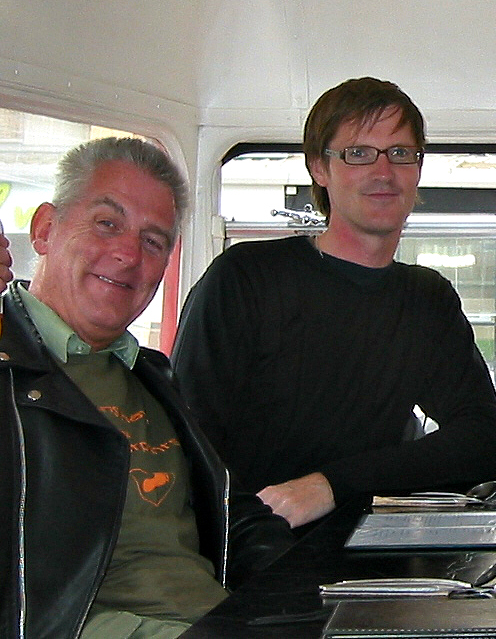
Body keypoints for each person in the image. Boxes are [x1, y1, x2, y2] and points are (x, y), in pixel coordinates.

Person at [172, 77, 496, 529]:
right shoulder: (245, 279)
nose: (383, 172)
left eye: (400, 153)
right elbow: (187, 447)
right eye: (358, 153)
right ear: (319, 168)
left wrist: (331, 484)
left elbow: (484, 443)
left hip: (377, 556)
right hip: (256, 554)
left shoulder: (425, 300)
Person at [2, 137, 293, 637]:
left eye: (153, 240)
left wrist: (326, 584)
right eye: (107, 223)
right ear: (46, 230)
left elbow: (231, 517)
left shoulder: (152, 378)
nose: (128, 254)